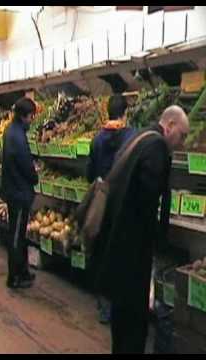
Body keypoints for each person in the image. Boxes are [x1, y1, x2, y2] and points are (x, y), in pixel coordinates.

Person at [94, 105, 189, 354]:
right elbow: (148, 201)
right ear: (169, 126)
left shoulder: (136, 137)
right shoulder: (156, 148)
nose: (182, 143)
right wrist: (158, 240)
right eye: (182, 135)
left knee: (121, 321)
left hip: (116, 244)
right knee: (134, 325)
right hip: (132, 251)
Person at [86, 94, 136, 325]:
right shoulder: (131, 137)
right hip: (123, 203)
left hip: (102, 201)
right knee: (120, 252)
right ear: (125, 112)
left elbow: (90, 174)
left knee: (101, 250)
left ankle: (103, 306)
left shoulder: (97, 139)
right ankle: (119, 305)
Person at [1, 97, 39, 289]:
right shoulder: (17, 136)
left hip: (13, 190)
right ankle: (14, 276)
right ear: (24, 116)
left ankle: (22, 272)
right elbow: (25, 165)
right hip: (19, 192)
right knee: (16, 234)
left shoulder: (11, 131)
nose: (32, 120)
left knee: (18, 233)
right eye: (31, 116)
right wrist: (35, 176)